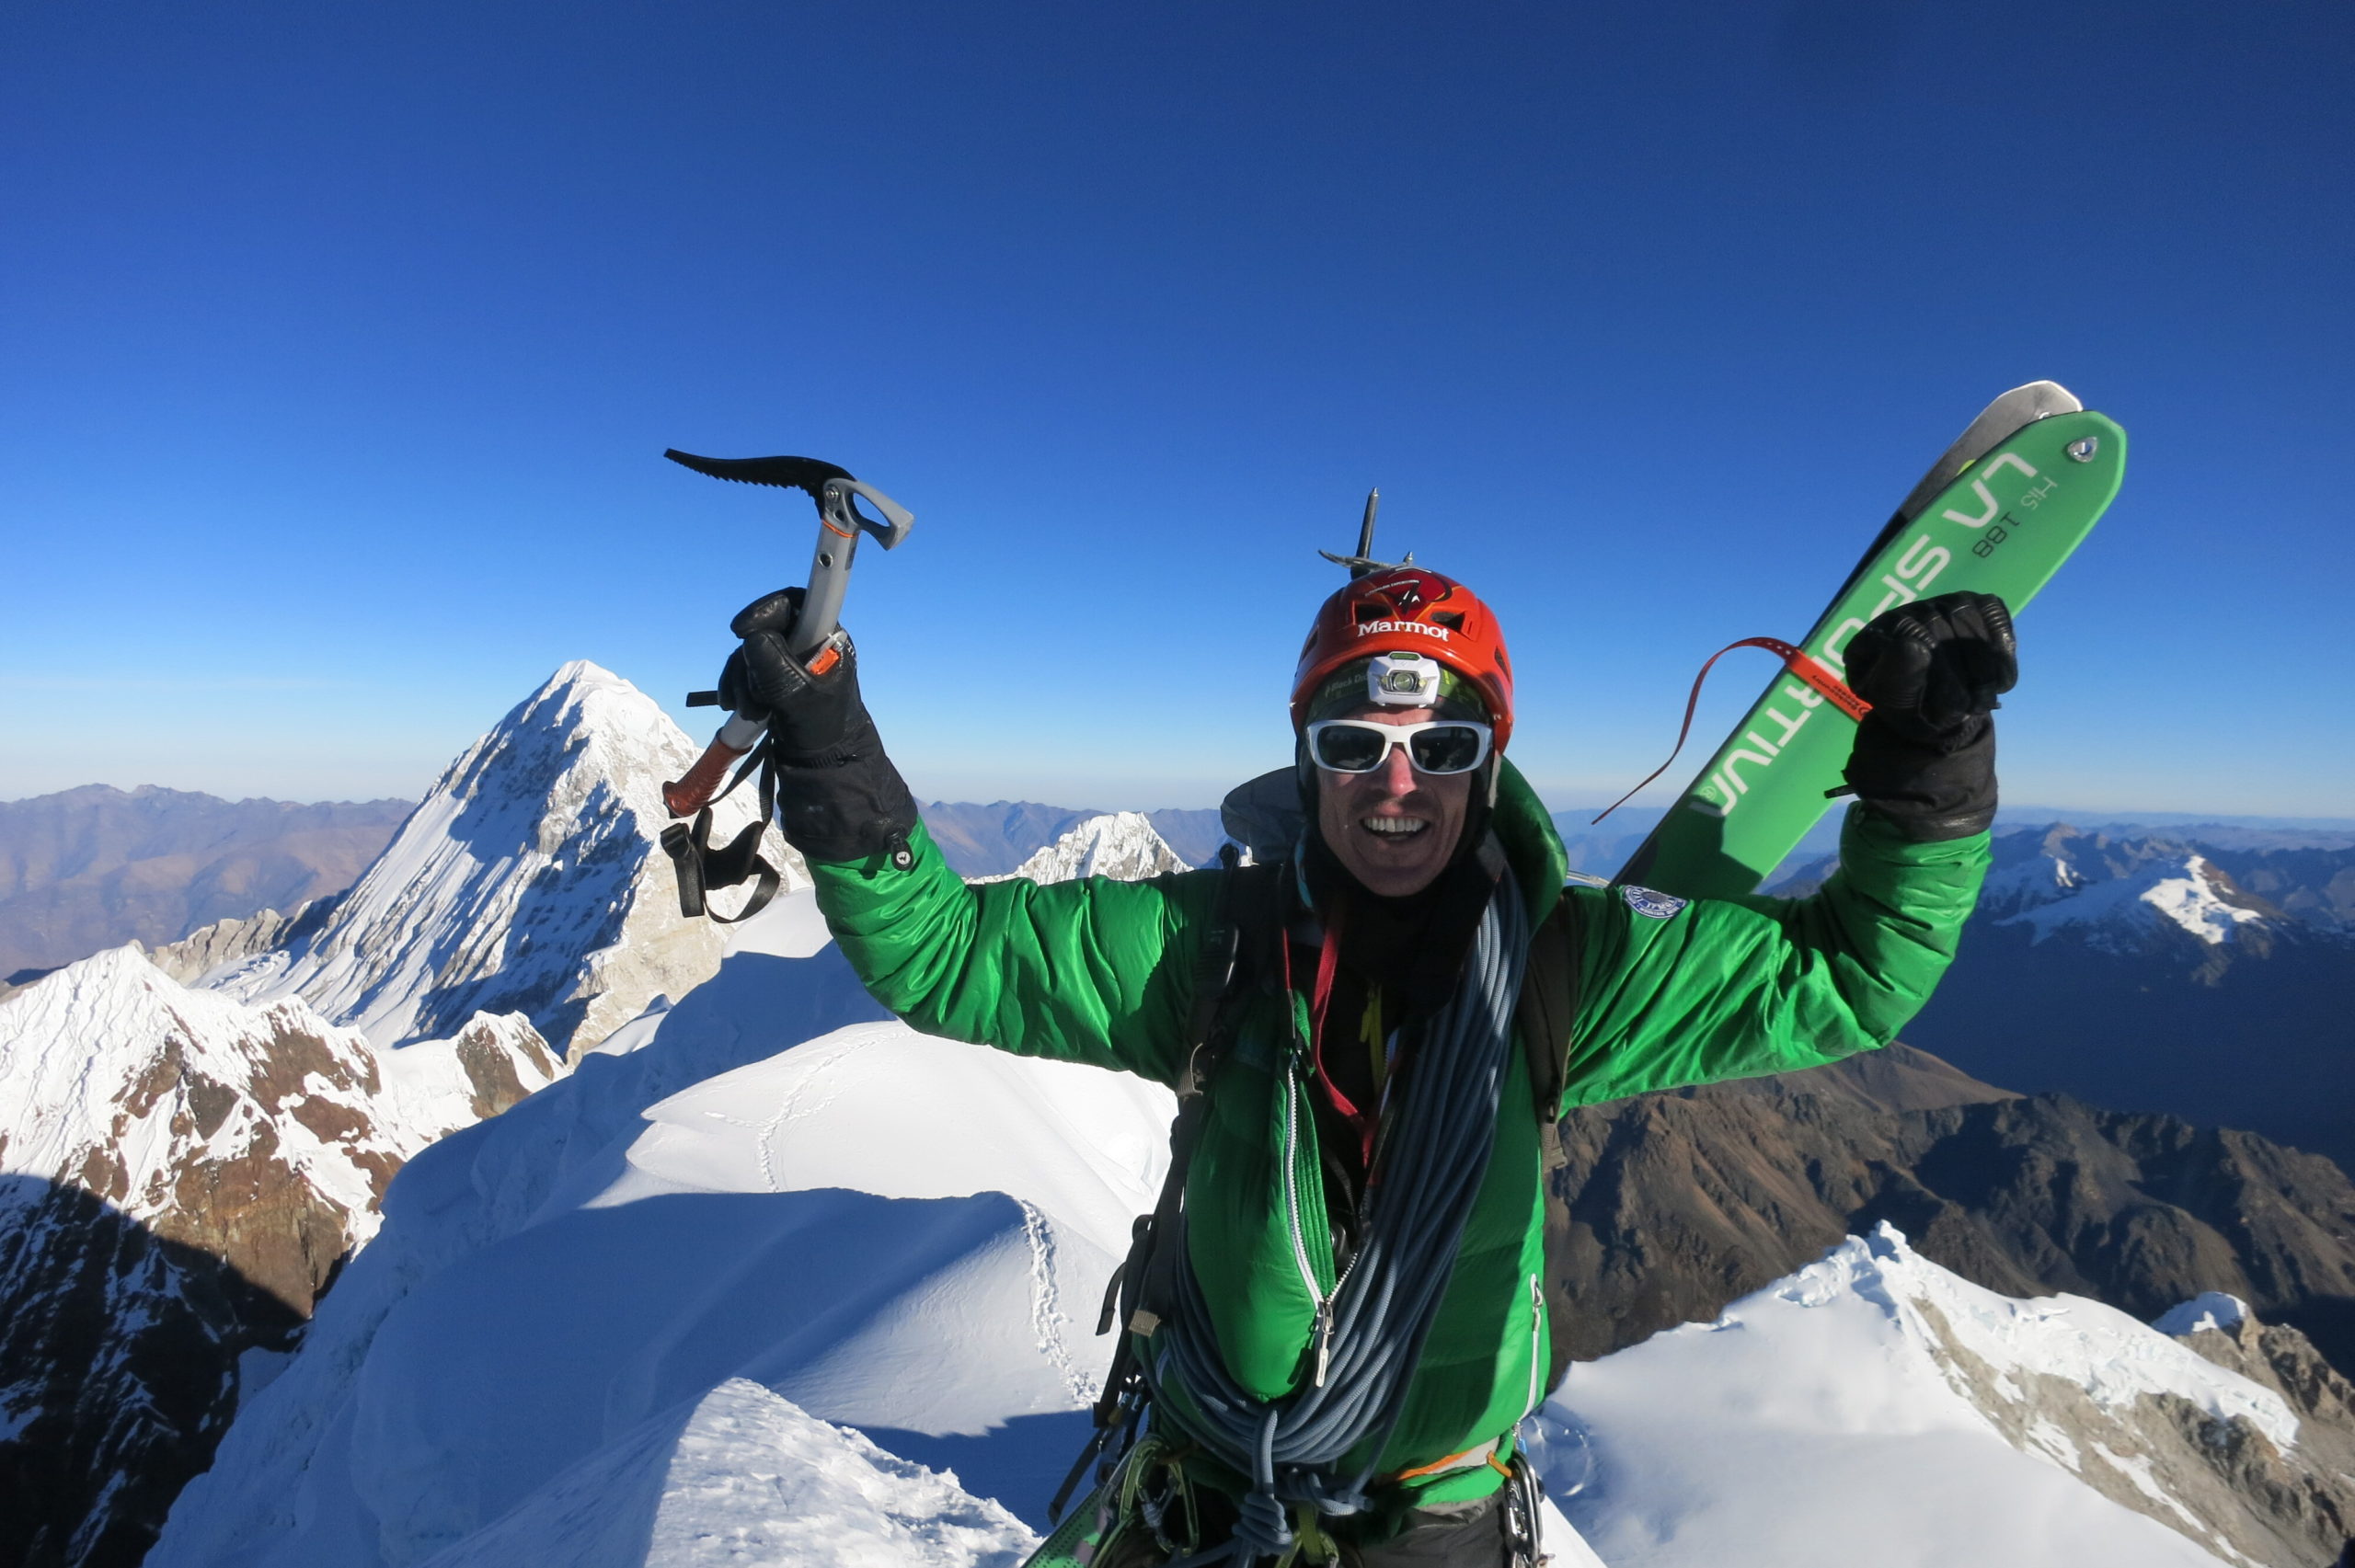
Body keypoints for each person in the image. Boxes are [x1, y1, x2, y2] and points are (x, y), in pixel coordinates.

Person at [712, 564, 2015, 1566]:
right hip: (1210, 1477)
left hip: (1434, 1516)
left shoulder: (1568, 964)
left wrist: (1929, 768)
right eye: (1356, 745)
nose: (1398, 784)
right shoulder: (1206, 947)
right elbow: (951, 954)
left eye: (1442, 748)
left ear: (1488, 760)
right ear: (1307, 756)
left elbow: (1852, 975)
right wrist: (833, 745)